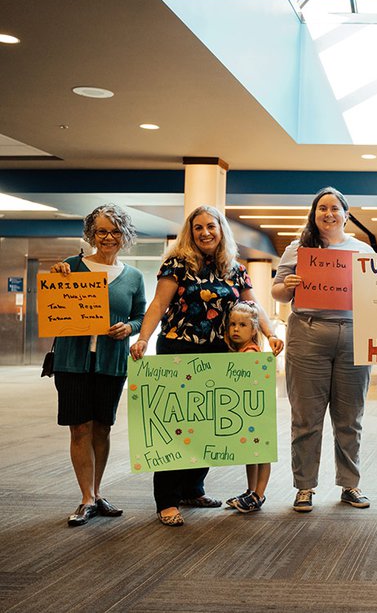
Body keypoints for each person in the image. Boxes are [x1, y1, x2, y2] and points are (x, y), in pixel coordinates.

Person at [130, 205, 283, 526]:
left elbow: (253, 306)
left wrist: (270, 335)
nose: (205, 233)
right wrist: (143, 338)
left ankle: (192, 488)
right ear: (190, 232)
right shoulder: (177, 264)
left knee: (207, 422)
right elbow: (159, 303)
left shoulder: (233, 267)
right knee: (176, 424)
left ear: (221, 230)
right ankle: (167, 500)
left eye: (210, 226)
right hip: (178, 349)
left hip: (220, 352)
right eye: (198, 227)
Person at [272, 187, 374, 512]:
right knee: (306, 417)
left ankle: (350, 485)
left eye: (335, 208)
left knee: (350, 417)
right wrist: (286, 287)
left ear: (346, 213)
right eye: (322, 209)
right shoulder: (299, 249)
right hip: (308, 332)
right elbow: (277, 292)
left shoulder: (362, 250)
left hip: (354, 333)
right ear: (314, 214)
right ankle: (305, 487)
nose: (328, 214)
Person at [50, 204, 146, 527]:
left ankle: (98, 491)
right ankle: (86, 498)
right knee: (80, 427)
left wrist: (129, 328)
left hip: (111, 361)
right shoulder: (71, 266)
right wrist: (57, 275)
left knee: (103, 428)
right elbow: (54, 301)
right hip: (72, 361)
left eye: (115, 231)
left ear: (125, 235)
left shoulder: (132, 276)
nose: (108, 237)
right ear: (91, 233)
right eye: (102, 231)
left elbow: (140, 315)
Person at [223, 301, 271, 513]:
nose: (235, 329)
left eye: (242, 325)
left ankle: (259, 494)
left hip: (257, 412)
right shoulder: (239, 351)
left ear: (253, 330)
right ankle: (250, 491)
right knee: (251, 453)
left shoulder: (250, 353)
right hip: (247, 410)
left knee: (262, 454)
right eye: (232, 324)